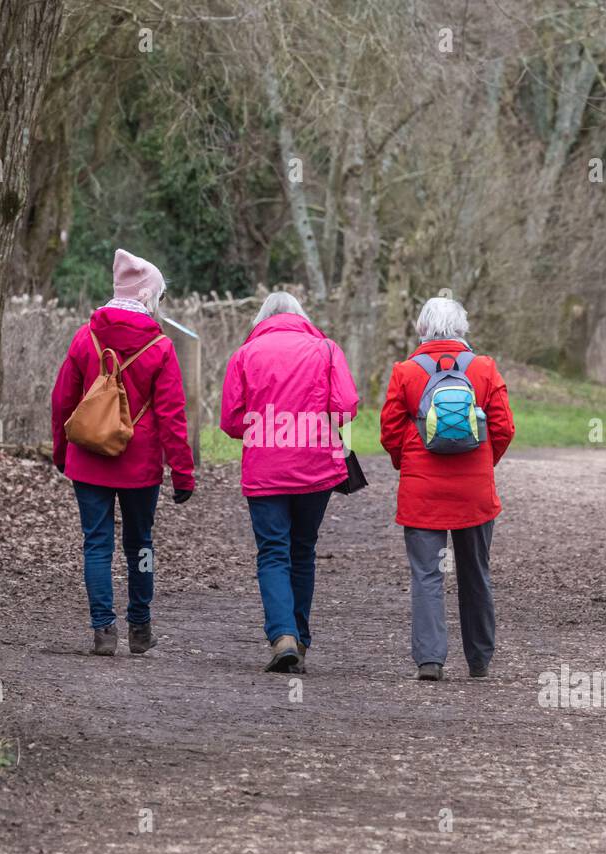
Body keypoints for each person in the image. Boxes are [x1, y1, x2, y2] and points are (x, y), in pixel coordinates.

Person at [51, 249, 195, 656]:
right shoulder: (161, 347)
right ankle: (140, 627)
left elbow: (62, 400)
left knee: (96, 545)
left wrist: (62, 452)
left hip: (89, 459)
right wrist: (182, 474)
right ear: (148, 296)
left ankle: (103, 631)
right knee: (141, 545)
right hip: (139, 464)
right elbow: (172, 416)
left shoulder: (85, 337)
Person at [219, 292, 358, 673]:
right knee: (303, 550)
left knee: (273, 552)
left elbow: (231, 421)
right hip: (315, 466)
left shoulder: (245, 355)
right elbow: (345, 408)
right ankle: (299, 637)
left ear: (263, 319)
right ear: (301, 316)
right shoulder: (326, 350)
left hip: (265, 467)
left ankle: (282, 635)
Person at [379, 296, 514, 681]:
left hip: (423, 493)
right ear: (462, 329)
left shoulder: (406, 371)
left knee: (426, 575)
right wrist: (484, 463)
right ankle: (479, 658)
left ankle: (430, 660)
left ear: (422, 328)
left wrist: (407, 465)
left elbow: (389, 432)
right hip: (475, 493)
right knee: (475, 571)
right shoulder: (485, 368)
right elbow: (503, 428)